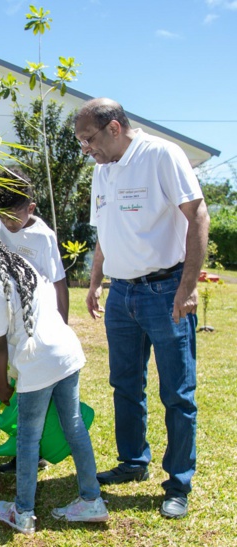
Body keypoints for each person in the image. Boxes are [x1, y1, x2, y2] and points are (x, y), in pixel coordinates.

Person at [74, 98, 209, 519]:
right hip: (121, 295)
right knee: (125, 385)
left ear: (114, 128)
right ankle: (133, 461)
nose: (86, 150)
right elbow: (104, 229)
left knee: (177, 392)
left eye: (88, 139)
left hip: (164, 290)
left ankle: (178, 483)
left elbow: (198, 216)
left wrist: (187, 288)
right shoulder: (102, 169)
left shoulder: (161, 155)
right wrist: (97, 279)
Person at [0, 217, 108, 534]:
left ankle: (22, 513)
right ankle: (92, 500)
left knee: (28, 438)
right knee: (73, 426)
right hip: (66, 353)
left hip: (38, 362)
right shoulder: (18, 263)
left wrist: (3, 387)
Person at [0, 166, 69, 474]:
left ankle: (38, 451)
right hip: (8, 322)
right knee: (14, 384)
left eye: (14, 216)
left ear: (31, 208)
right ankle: (23, 450)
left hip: (38, 326)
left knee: (36, 388)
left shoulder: (43, 237)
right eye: (3, 216)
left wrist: (61, 326)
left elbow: (59, 282)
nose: (8, 224)